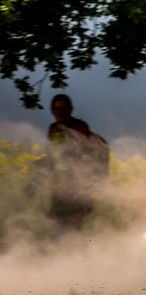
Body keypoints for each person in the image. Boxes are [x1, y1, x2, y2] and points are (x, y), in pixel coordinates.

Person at [45, 94, 109, 229]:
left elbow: (102, 146)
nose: (60, 112)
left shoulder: (79, 127)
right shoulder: (53, 129)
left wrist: (99, 178)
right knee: (56, 229)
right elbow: (53, 157)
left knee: (71, 229)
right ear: (52, 111)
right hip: (59, 190)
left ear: (70, 110)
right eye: (57, 109)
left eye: (63, 109)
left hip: (78, 190)